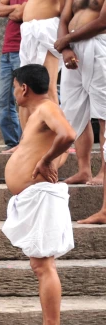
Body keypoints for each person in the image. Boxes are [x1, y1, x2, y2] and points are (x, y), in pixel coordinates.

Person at [2, 64, 75, 325]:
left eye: (14, 86)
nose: (14, 91)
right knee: (40, 265)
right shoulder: (39, 113)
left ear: (23, 88)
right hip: (36, 195)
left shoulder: (46, 108)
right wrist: (51, 158)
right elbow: (64, 146)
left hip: (41, 195)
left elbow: (68, 135)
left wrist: (45, 161)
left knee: (44, 266)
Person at [54, 0, 106, 186]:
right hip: (74, 49)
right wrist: (66, 49)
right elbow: (63, 20)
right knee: (74, 110)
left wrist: (67, 40)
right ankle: (84, 170)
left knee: (104, 113)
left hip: (99, 45)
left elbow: (103, 21)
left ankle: (104, 171)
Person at [0, 0, 27, 152]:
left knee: (25, 99)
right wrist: (15, 8)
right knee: (1, 102)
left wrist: (11, 11)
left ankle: (25, 142)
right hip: (6, 52)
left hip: (23, 50)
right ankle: (13, 143)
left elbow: (23, 14)